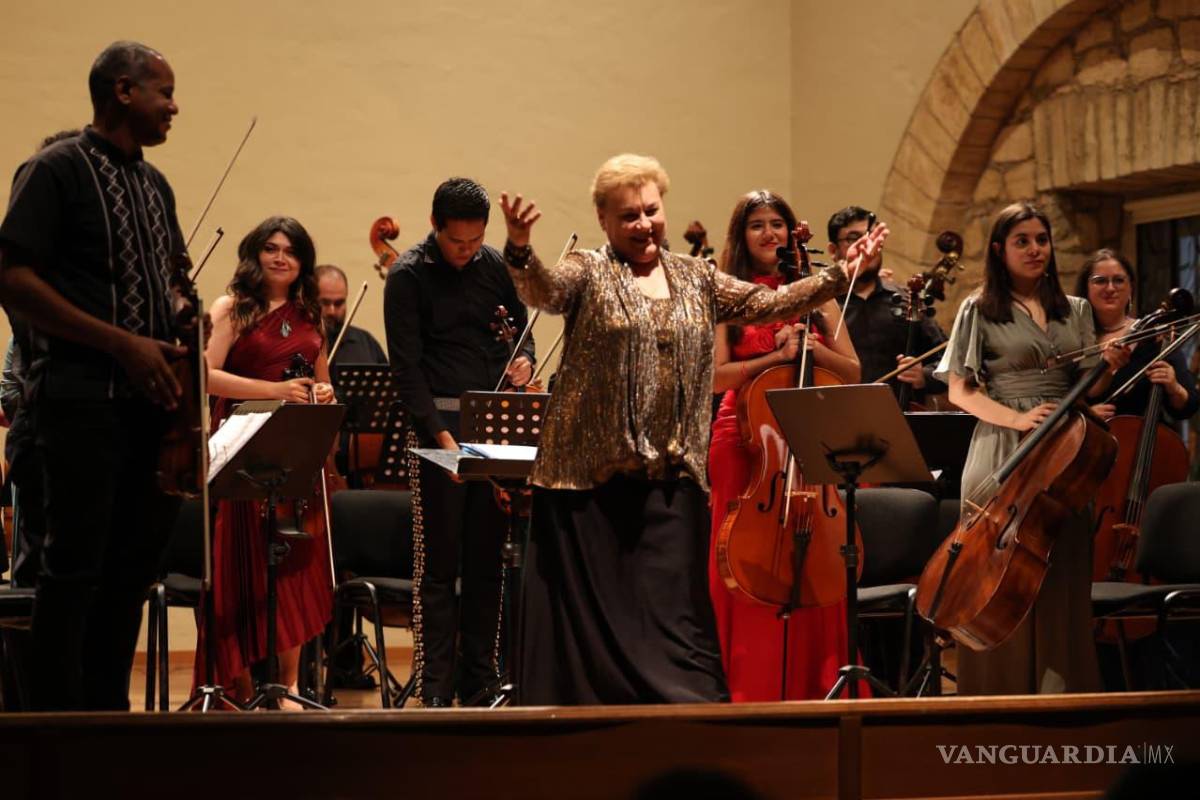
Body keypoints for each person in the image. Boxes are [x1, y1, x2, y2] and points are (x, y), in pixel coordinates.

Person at [502, 154, 886, 704]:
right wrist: (520, 248)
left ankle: (689, 721)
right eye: (628, 215)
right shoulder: (588, 270)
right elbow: (543, 291)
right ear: (604, 221)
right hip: (588, 481)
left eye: (651, 210)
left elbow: (770, 301)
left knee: (677, 617)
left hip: (672, 475)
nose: (643, 224)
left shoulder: (695, 276)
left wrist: (839, 272)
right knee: (593, 624)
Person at [0, 42, 189, 711]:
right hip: (78, 403)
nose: (175, 106)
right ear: (122, 91)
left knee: (130, 575)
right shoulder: (55, 170)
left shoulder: (155, 185)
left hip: (148, 415)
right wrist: (124, 346)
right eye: (164, 92)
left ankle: (109, 722)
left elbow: (172, 288)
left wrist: (177, 334)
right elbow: (11, 277)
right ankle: (56, 733)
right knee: (73, 573)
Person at [934, 202, 1128, 695]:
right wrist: (1018, 418)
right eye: (1023, 240)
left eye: (1041, 239)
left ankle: (1061, 700)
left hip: (1065, 454)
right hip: (1003, 448)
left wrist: (1110, 365)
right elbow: (960, 390)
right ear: (1000, 251)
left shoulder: (1076, 309)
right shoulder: (977, 308)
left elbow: (1086, 393)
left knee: (1061, 574)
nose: (1035, 249)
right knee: (996, 581)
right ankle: (996, 699)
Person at [384, 177, 535, 707]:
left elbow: (522, 329)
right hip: (437, 429)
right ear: (435, 227)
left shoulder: (493, 265)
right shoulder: (406, 276)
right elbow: (407, 371)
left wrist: (525, 360)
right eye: (456, 243)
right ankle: (435, 685)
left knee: (487, 559)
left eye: (475, 241)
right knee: (440, 565)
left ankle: (480, 682)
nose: (467, 252)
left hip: (491, 424)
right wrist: (444, 441)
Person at [707, 190, 860, 701]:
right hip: (742, 438)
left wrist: (812, 347)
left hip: (803, 432)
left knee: (812, 554)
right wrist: (769, 361)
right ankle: (752, 684)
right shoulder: (727, 293)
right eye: (757, 224)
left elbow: (854, 369)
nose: (770, 233)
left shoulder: (817, 291)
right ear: (741, 235)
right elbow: (716, 377)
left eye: (778, 223)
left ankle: (816, 679)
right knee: (746, 560)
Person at [200, 216, 336, 704]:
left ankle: (289, 685)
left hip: (295, 450)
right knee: (244, 566)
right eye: (271, 248)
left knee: (295, 569)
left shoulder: (311, 315)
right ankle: (236, 684)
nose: (281, 257)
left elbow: (324, 382)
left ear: (303, 262)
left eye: (291, 251)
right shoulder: (231, 308)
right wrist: (275, 391)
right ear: (254, 252)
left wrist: (322, 390)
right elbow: (208, 377)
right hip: (242, 448)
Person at [829, 205, 948, 403]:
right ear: (833, 250)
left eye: (872, 237)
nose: (867, 246)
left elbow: (948, 360)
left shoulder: (908, 300)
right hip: (840, 417)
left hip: (903, 420)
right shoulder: (824, 306)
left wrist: (924, 375)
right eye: (853, 238)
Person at [1075, 249, 1199, 422]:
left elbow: (1189, 406)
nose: (1110, 288)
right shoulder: (1073, 339)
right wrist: (1084, 416)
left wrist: (1174, 387)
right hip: (1089, 443)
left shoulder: (1154, 336)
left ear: (1130, 287)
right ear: (1086, 289)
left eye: (1118, 280)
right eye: (1100, 281)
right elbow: (1055, 396)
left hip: (1143, 444)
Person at [316, 263, 387, 370]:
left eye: (339, 303)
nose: (332, 311)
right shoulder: (299, 343)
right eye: (325, 303)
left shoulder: (366, 342)